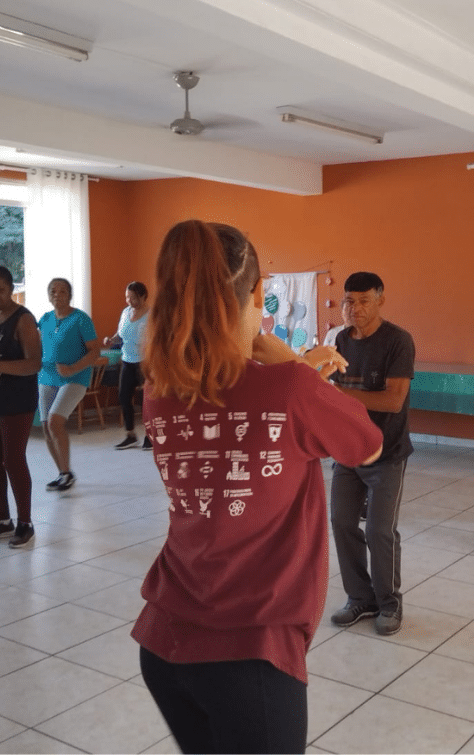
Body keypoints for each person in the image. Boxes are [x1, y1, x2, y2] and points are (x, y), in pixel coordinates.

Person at [131, 220, 382, 755]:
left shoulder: (160, 390)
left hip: (164, 638)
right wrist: (296, 366)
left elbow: (227, 388)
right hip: (249, 655)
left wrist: (283, 369)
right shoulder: (290, 386)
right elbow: (367, 444)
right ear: (249, 298)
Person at [329, 271, 415, 636]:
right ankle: (359, 598)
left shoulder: (398, 341)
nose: (355, 308)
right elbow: (319, 388)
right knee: (343, 523)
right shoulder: (337, 341)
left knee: (380, 530)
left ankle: (389, 603)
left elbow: (393, 401)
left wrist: (339, 395)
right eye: (349, 300)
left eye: (364, 300)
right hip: (347, 451)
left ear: (380, 299)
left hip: (387, 453)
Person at [38, 277, 101, 491]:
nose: (57, 295)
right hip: (47, 377)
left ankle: (66, 473)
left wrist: (73, 368)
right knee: (47, 426)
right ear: (48, 296)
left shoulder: (81, 319)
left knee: (55, 421)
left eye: (62, 291)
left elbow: (95, 351)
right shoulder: (45, 319)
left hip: (75, 378)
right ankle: (64, 473)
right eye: (53, 291)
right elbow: (37, 344)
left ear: (70, 294)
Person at [0, 267, 42, 548]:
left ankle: (25, 523)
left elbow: (33, 363)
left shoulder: (23, 319)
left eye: (0, 290)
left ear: (11, 289)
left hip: (18, 401)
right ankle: (3, 520)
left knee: (13, 460)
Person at [104, 281, 152, 450]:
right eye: (127, 297)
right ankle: (130, 435)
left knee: (145, 401)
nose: (129, 301)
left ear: (143, 296)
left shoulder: (152, 315)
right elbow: (120, 334)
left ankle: (150, 436)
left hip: (145, 363)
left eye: (133, 297)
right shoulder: (126, 313)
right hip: (127, 361)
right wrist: (112, 339)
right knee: (124, 397)